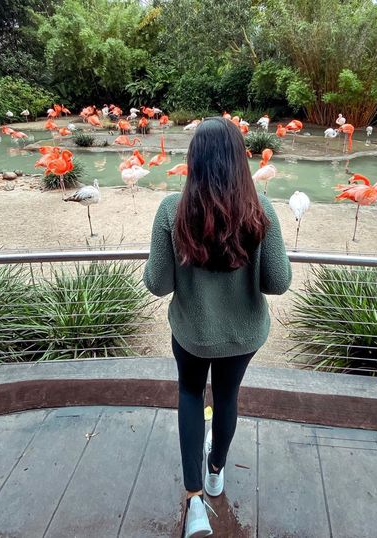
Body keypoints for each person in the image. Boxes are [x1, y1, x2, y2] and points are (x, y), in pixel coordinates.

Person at [143, 117, 292, 537]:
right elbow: (277, 282)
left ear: (194, 159)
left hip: (191, 333)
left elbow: (158, 284)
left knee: (190, 395)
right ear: (240, 160)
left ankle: (193, 503)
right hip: (242, 336)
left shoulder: (172, 209)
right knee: (227, 397)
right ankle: (215, 470)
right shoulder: (262, 209)